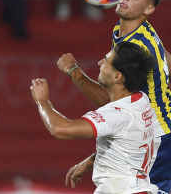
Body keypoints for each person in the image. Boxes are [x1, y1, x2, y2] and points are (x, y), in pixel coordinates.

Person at [57, 0, 171, 194]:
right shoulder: (131, 31)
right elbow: (163, 50)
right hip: (149, 133)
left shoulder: (138, 45)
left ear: (148, 10)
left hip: (156, 138)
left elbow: (108, 100)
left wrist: (73, 71)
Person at [31, 42, 159, 194]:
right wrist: (91, 161)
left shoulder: (119, 114)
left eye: (106, 60)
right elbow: (124, 140)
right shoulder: (141, 101)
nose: (100, 62)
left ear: (117, 76)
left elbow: (59, 129)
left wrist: (42, 101)